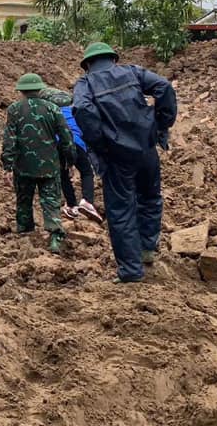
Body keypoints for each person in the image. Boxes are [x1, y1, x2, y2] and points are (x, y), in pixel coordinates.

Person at [71, 42, 177, 283]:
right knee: (150, 197)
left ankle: (131, 270)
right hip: (147, 149)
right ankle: (147, 249)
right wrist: (161, 125)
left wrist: (101, 143)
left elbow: (83, 110)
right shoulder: (132, 72)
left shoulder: (85, 84)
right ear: (113, 59)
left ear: (87, 65)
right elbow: (164, 87)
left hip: (117, 156)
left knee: (121, 210)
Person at [0, 73, 74, 255]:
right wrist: (70, 161)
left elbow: (10, 139)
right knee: (51, 200)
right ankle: (55, 236)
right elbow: (66, 137)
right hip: (49, 164)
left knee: (24, 199)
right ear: (40, 89)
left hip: (23, 165)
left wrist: (7, 165)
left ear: (21, 92)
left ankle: (25, 232)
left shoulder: (14, 109)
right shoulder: (53, 108)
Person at [59, 104, 101, 223]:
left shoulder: (52, 111)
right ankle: (87, 201)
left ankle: (72, 205)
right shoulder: (74, 110)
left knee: (63, 175)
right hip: (76, 141)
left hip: (57, 144)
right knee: (86, 172)